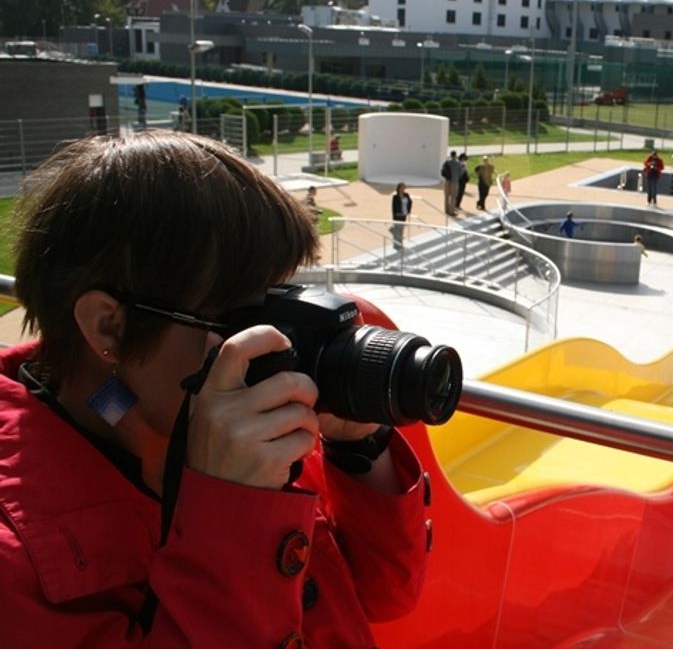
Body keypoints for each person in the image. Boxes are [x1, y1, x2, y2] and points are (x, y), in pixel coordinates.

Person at [0, 131, 429, 647]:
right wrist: (232, 510)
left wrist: (359, 449)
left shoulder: (253, 420)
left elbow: (387, 596)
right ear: (109, 326)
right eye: (242, 317)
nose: (273, 338)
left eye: (282, 301)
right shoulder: (14, 556)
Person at [441, 151, 463, 216]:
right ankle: (451, 211)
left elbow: (443, 171)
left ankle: (446, 210)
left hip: (447, 181)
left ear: (450, 155)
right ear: (455, 155)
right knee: (453, 197)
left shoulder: (446, 162)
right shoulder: (458, 163)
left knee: (446, 196)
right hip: (455, 181)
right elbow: (461, 173)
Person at [391, 181, 413, 248]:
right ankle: (396, 244)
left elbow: (410, 202)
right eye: (402, 187)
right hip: (398, 215)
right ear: (399, 188)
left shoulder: (406, 195)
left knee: (401, 229)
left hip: (404, 214)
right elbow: (393, 207)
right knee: (397, 229)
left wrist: (408, 211)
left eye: (404, 187)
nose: (403, 188)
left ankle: (400, 243)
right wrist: (394, 216)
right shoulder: (395, 197)